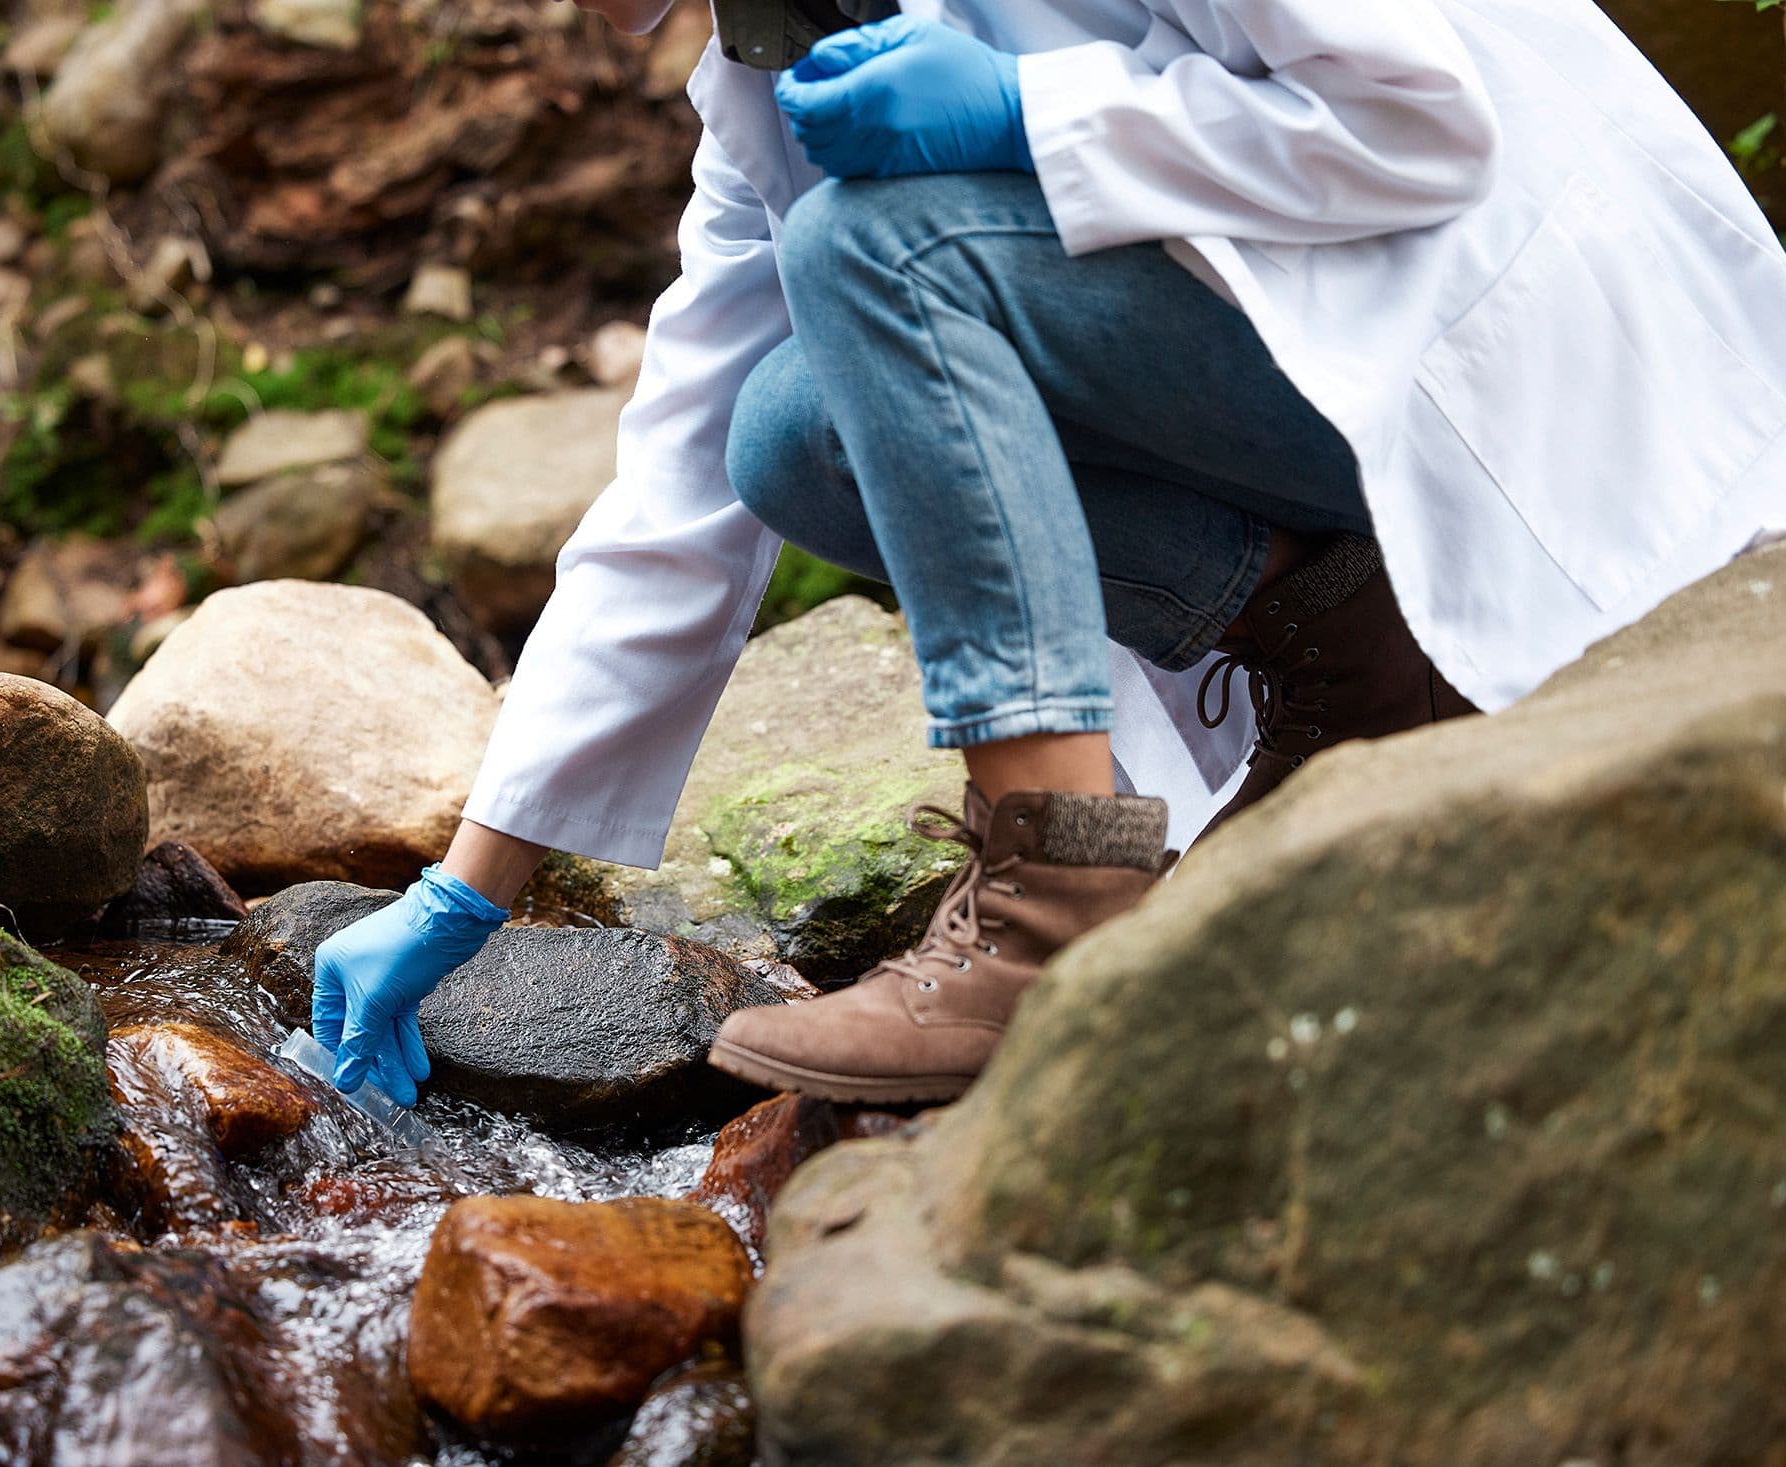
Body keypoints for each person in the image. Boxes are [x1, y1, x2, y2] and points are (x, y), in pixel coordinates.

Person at [312, 0, 1786, 1108]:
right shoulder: (773, 40)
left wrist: (1033, 110)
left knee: (877, 251)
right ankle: (1356, 637)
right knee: (787, 435)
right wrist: (467, 891)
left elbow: (1419, 118)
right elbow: (684, 483)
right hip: (1327, 384)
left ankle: (1057, 903)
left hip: (1531, 357)